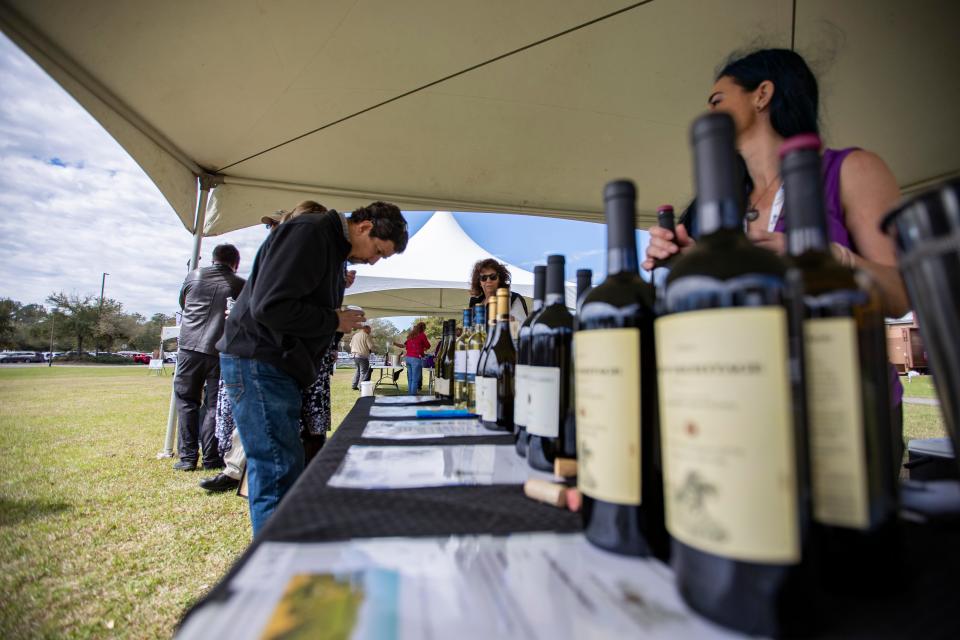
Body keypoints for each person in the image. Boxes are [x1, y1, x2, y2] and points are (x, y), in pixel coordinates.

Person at [641, 48, 908, 463]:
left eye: (717, 101)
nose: (708, 115)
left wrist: (825, 256)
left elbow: (899, 295)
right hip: (750, 413)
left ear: (762, 94)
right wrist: (695, 263)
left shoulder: (850, 170)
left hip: (844, 411)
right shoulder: (723, 206)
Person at [217, 201, 408, 534]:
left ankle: (285, 545)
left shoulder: (329, 248)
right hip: (261, 361)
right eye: (378, 250)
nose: (374, 260)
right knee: (276, 469)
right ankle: (277, 560)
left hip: (276, 364)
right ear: (364, 227)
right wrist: (333, 320)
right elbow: (270, 306)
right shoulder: (310, 233)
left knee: (285, 464)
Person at [172, 243, 245, 471]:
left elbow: (183, 304)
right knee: (215, 405)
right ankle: (212, 457)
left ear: (213, 259)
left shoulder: (194, 276)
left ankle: (187, 458)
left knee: (186, 402)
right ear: (236, 263)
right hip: (219, 350)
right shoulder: (240, 284)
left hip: (189, 348)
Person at [467, 259, 528, 340]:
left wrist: (510, 324)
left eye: (493, 277)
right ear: (479, 282)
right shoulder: (475, 304)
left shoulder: (512, 298)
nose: (488, 280)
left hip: (501, 350)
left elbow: (523, 331)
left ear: (499, 279)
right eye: (483, 278)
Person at [393, 322, 430, 395]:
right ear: (423, 328)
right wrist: (423, 348)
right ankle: (412, 396)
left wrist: (395, 343)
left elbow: (404, 345)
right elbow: (428, 346)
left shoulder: (410, 335)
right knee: (415, 379)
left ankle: (410, 395)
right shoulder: (422, 335)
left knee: (410, 378)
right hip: (416, 359)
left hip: (408, 358)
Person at [350, 325, 376, 390]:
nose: (370, 331)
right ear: (366, 329)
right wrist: (371, 350)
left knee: (357, 371)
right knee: (364, 372)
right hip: (362, 356)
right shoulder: (366, 336)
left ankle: (354, 385)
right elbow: (371, 346)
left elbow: (350, 345)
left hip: (354, 356)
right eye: (369, 330)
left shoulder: (355, 335)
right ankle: (361, 387)